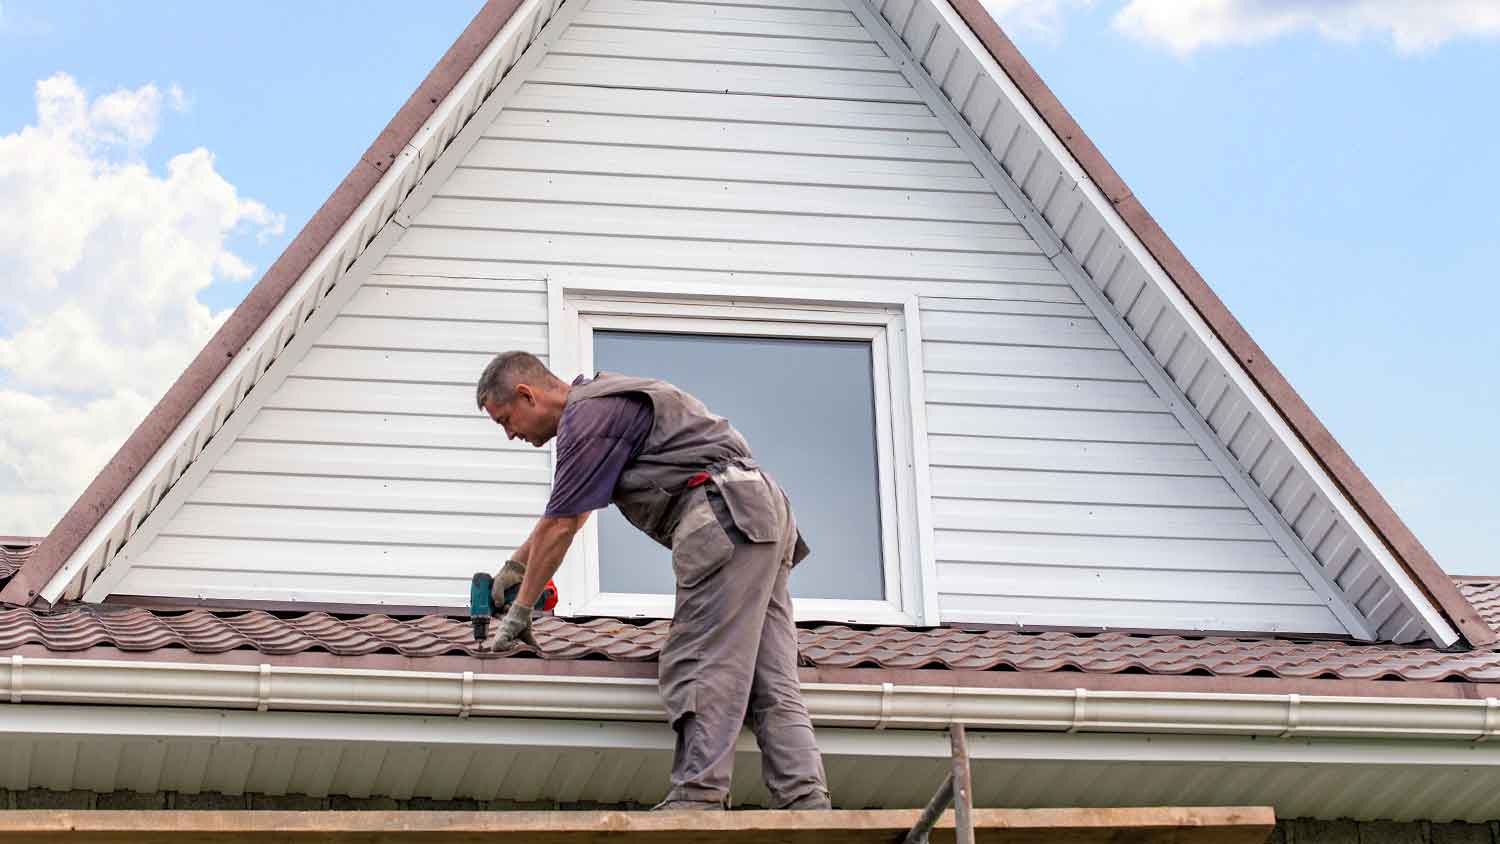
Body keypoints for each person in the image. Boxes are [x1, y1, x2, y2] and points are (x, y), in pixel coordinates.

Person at [475, 351, 831, 812]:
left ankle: (697, 797)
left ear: (528, 394)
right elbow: (574, 512)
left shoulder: (586, 417)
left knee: (701, 660)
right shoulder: (604, 402)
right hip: (760, 515)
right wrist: (518, 569)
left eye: (507, 419)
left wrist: (519, 613)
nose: (511, 434)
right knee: (770, 677)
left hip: (723, 515)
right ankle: (805, 801)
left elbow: (560, 524)